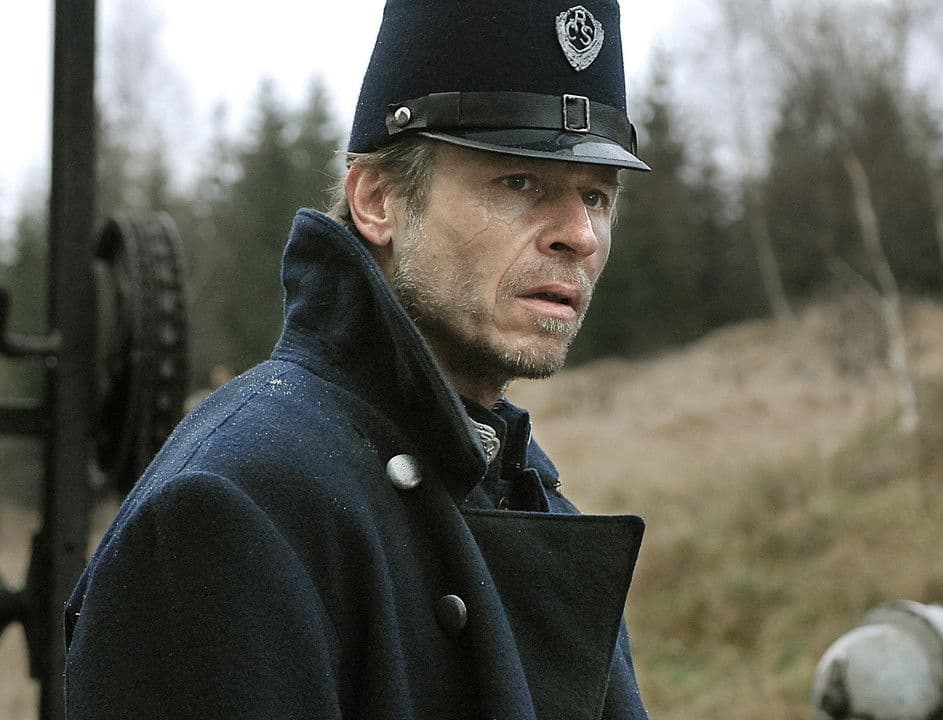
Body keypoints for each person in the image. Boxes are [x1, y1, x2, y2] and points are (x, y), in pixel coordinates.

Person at [64, 1, 651, 718]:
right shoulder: (236, 507)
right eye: (519, 183)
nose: (579, 235)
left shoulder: (529, 496)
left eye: (596, 196)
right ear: (378, 201)